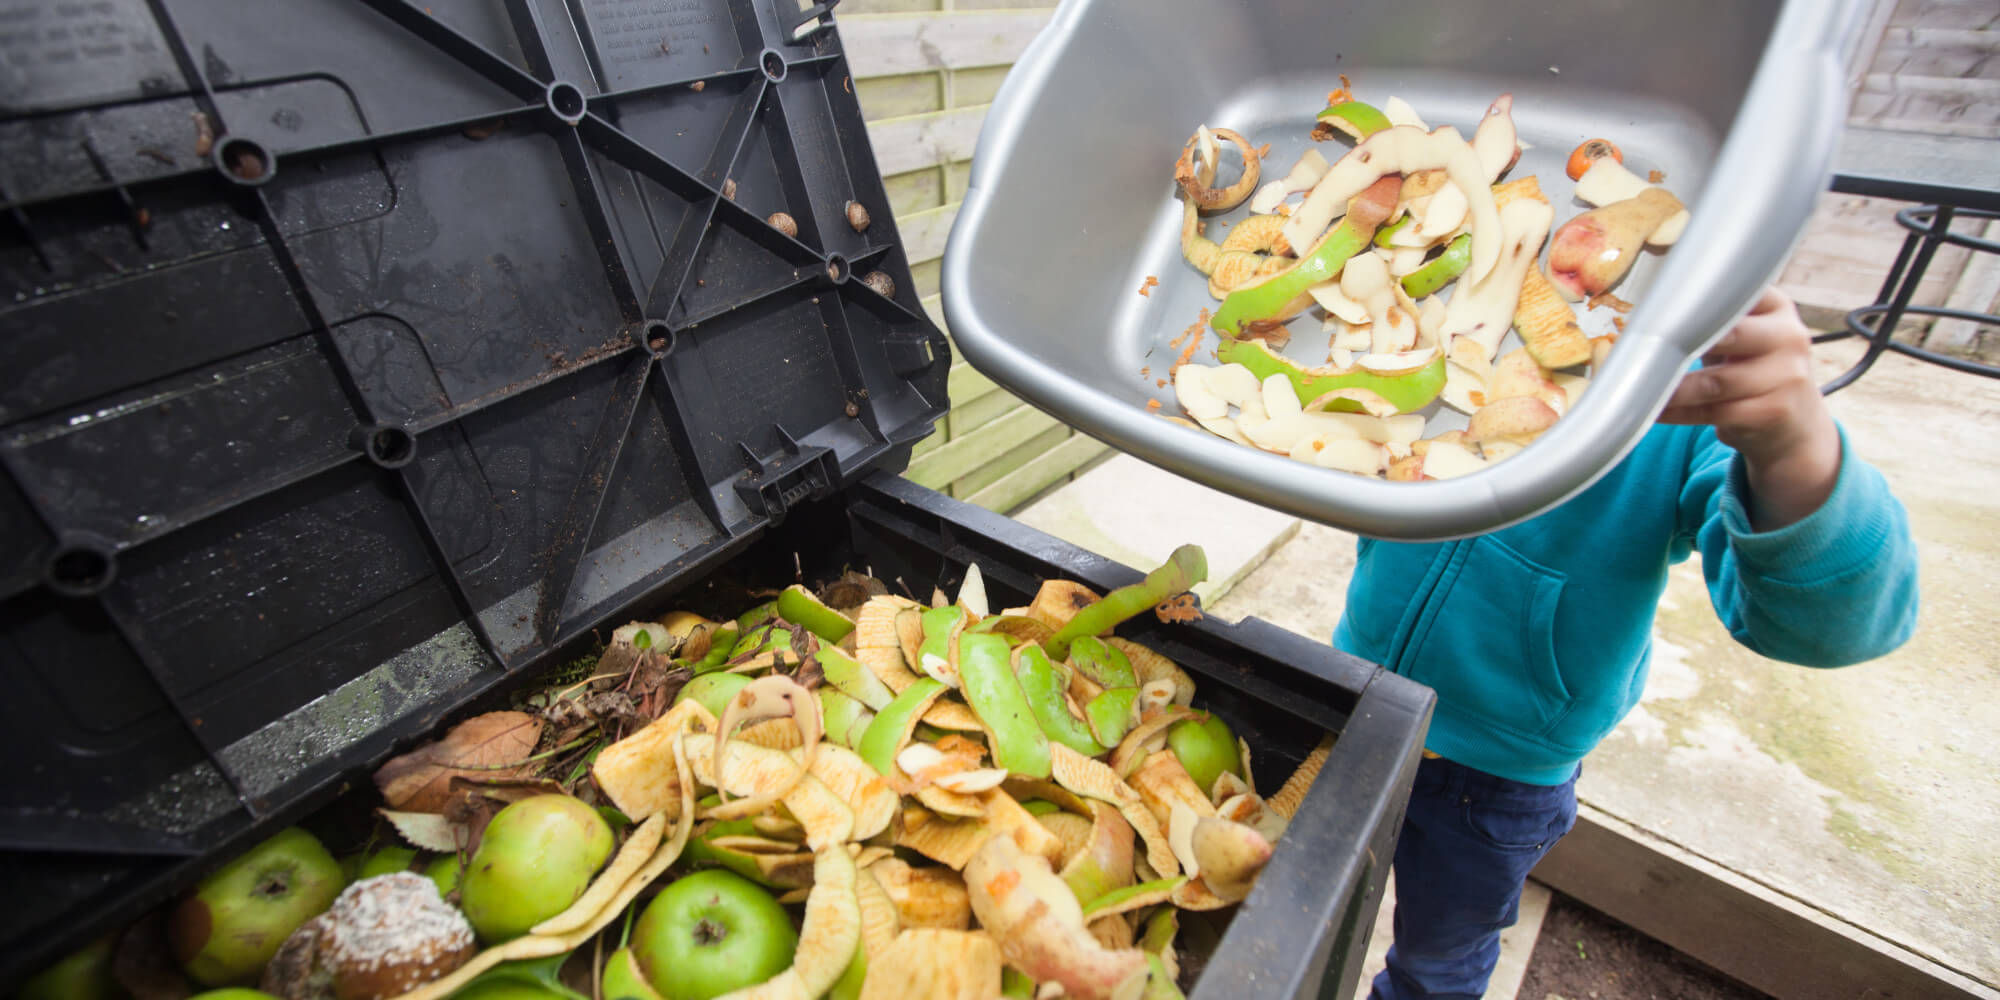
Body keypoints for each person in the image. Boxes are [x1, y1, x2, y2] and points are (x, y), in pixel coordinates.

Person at [1334, 286, 1921, 1000]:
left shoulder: (1684, 367)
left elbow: (1836, 624)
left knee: (1438, 962)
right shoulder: (1451, 289)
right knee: (1321, 903)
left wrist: (1794, 447)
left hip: (1499, 780)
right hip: (1358, 702)